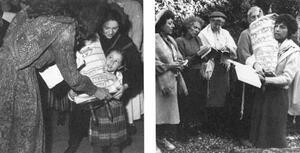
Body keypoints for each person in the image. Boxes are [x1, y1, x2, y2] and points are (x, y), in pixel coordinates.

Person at [0, 2, 112, 153]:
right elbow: (73, 78)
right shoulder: (65, 27)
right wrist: (96, 90)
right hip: (20, 78)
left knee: (5, 130)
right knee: (25, 136)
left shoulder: (32, 10)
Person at [249, 14, 300, 148]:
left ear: (290, 31)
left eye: (282, 27)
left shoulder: (293, 51)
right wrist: (256, 65)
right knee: (260, 136)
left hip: (278, 96)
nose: (277, 29)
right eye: (275, 26)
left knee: (274, 139)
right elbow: (252, 57)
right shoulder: (270, 44)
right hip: (263, 93)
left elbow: (287, 78)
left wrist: (266, 79)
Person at [198, 11, 237, 129]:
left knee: (223, 93)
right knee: (210, 94)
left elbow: (233, 47)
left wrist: (227, 48)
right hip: (210, 66)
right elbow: (201, 50)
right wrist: (212, 49)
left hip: (223, 66)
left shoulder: (225, 33)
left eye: (220, 23)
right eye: (215, 22)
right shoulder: (203, 34)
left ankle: (221, 124)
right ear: (210, 21)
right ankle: (209, 125)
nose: (218, 25)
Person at [155, 9, 188, 151]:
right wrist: (169, 66)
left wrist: (181, 63)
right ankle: (157, 140)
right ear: (161, 24)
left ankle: (162, 138)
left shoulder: (170, 40)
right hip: (159, 83)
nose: (173, 26)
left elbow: (178, 56)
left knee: (168, 112)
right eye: (170, 23)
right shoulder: (154, 39)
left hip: (172, 80)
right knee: (158, 111)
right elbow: (151, 61)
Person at [175, 16, 209, 136]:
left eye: (199, 28)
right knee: (186, 102)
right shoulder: (180, 41)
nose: (197, 30)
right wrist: (198, 55)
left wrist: (207, 54)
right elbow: (183, 62)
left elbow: (202, 57)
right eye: (195, 27)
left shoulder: (198, 39)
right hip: (187, 75)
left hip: (199, 73)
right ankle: (183, 129)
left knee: (196, 102)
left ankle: (192, 127)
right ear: (188, 26)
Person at [235, 6, 264, 146]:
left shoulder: (265, 35)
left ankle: (256, 134)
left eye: (259, 17)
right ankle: (243, 136)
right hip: (248, 75)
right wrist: (255, 65)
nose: (256, 20)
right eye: (253, 17)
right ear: (248, 19)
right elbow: (243, 54)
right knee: (246, 106)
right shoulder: (245, 34)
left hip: (263, 75)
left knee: (258, 106)